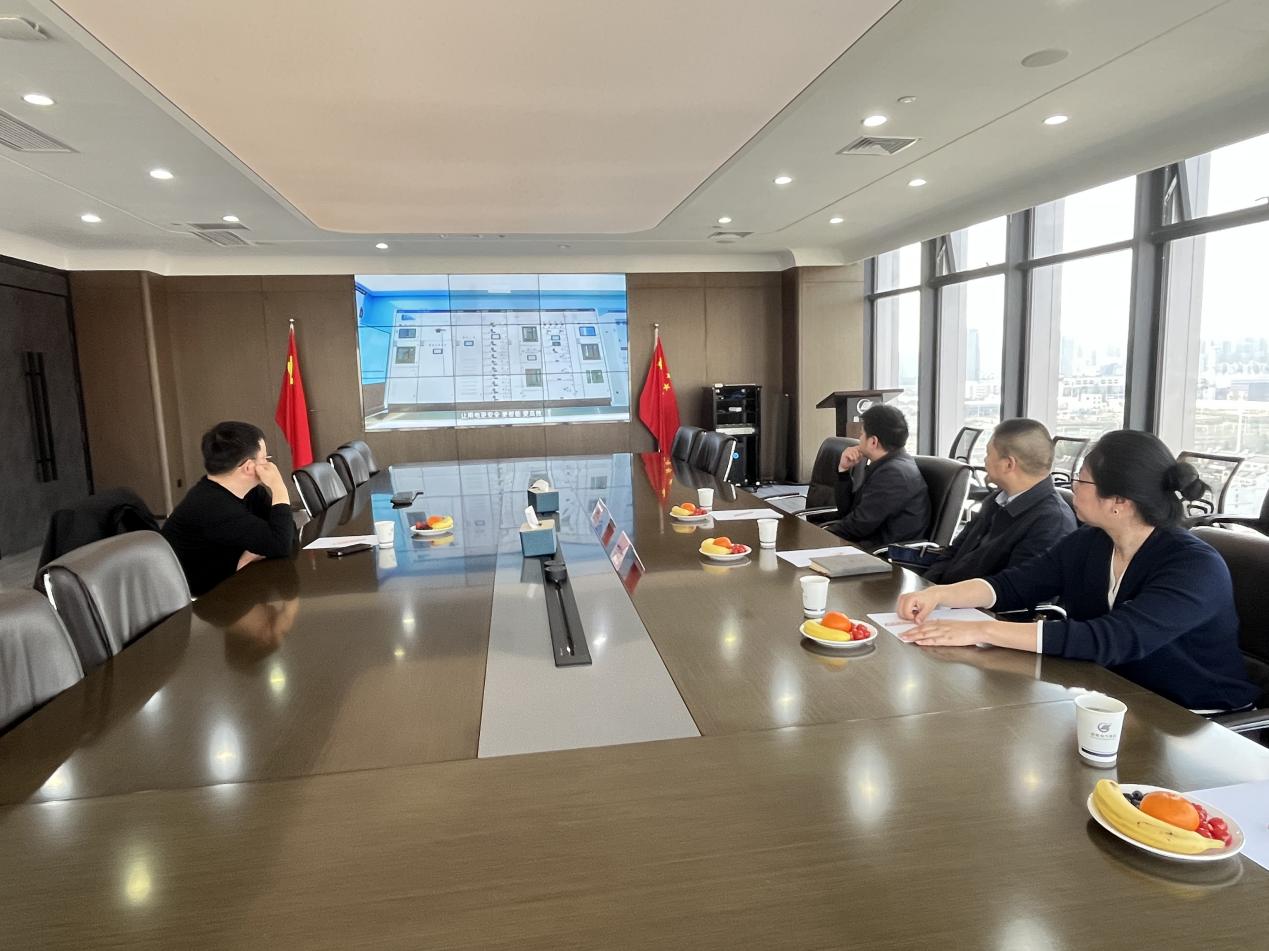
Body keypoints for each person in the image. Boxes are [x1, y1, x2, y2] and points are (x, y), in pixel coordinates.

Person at [894, 429, 1257, 712]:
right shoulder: (1091, 542)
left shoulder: (1194, 566)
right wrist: (939, 594)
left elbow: (1112, 640)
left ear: (1119, 502)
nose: (1071, 488)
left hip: (1192, 717)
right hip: (1111, 697)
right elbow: (1015, 585)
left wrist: (981, 630)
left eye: (1082, 481)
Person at [922, 418, 1076, 584]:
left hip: (972, 599)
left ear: (1008, 464)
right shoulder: (996, 500)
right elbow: (954, 552)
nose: (985, 461)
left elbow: (1015, 590)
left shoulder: (1051, 523)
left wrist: (940, 593)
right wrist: (928, 585)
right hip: (943, 594)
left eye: (988, 454)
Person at [162, 421, 296, 596]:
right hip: (206, 600)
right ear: (249, 467)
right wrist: (278, 487)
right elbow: (282, 544)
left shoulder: (251, 492)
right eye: (265, 459)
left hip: (238, 584)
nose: (269, 465)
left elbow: (288, 534)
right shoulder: (211, 505)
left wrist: (255, 552)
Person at [824, 403, 929, 549]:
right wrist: (844, 471)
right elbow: (848, 513)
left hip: (882, 555)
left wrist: (821, 536)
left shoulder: (893, 474)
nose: (859, 438)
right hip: (867, 545)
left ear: (873, 442)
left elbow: (858, 525)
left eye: (862, 434)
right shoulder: (887, 465)